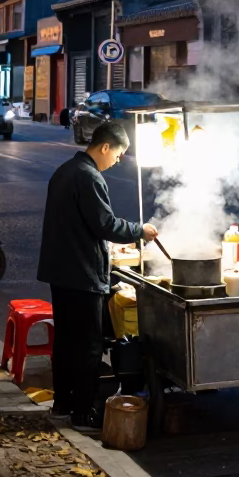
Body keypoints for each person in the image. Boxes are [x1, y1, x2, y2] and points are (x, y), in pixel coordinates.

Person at [37, 119, 157, 430]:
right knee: (88, 345)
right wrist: (139, 231)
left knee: (65, 341)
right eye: (118, 155)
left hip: (61, 270)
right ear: (105, 147)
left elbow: (82, 224)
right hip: (82, 274)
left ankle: (62, 405)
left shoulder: (66, 170)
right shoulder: (88, 177)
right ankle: (83, 412)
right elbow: (105, 224)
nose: (117, 162)